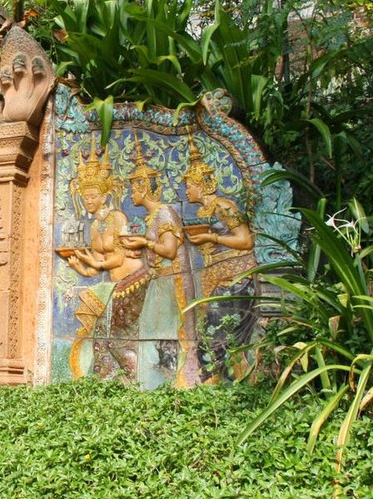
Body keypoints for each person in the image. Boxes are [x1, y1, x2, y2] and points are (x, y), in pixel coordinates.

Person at [61, 144, 148, 381]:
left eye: (92, 196)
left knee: (118, 338)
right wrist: (81, 267)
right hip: (114, 285)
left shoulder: (117, 218)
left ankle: (134, 382)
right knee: (101, 336)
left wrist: (97, 265)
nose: (88, 200)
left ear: (103, 196)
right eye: (84, 196)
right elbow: (99, 261)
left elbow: (119, 256)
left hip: (134, 282)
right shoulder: (95, 226)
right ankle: (107, 385)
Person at [119, 143, 200, 388]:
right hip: (159, 281)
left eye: (134, 188)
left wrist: (145, 241)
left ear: (144, 188)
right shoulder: (154, 217)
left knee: (163, 334)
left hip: (169, 282)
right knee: (151, 332)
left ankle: (169, 383)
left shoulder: (165, 213)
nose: (131, 194)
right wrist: (140, 245)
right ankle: (153, 385)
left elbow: (169, 250)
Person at [181, 138, 258, 379]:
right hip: (219, 279)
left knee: (214, 335)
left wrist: (213, 238)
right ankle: (218, 383)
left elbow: (246, 240)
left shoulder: (223, 207)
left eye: (189, 186)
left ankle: (214, 383)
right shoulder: (203, 212)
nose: (186, 191)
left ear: (201, 185)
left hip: (237, 279)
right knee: (213, 334)